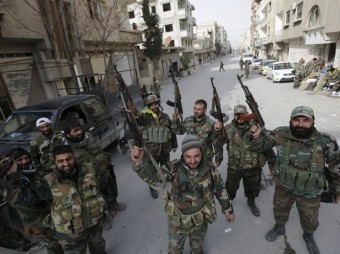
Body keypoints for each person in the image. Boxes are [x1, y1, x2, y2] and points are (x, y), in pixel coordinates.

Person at [255, 106, 340, 254]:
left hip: (310, 192)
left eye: (305, 120)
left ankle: (308, 235)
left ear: (313, 121)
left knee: (310, 220)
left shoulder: (325, 141)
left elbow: (336, 166)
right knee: (280, 211)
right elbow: (262, 147)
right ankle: (279, 227)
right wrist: (256, 137)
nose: (300, 124)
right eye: (296, 120)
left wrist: (338, 190)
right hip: (283, 187)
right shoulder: (280, 134)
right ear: (290, 121)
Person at [130, 134, 235, 254]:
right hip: (177, 221)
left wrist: (228, 211)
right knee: (174, 250)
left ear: (202, 153)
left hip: (199, 220)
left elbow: (220, 189)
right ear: (183, 154)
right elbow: (154, 177)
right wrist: (139, 163)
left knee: (197, 247)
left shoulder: (210, 170)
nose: (193, 161)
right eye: (188, 157)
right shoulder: (173, 168)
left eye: (196, 156)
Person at [1, 145, 107, 254]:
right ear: (54, 162)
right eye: (60, 161)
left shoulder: (88, 170)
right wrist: (11, 175)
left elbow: (102, 187)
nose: (66, 164)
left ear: (74, 157)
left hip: (95, 224)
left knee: (99, 246)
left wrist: (104, 208)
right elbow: (21, 198)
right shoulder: (48, 182)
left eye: (68, 159)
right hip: (71, 234)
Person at [214, 105, 273, 217]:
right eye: (237, 115)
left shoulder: (256, 127)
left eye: (243, 115)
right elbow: (218, 143)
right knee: (230, 188)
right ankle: (229, 202)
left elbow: (268, 145)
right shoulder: (228, 128)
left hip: (252, 167)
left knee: (253, 188)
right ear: (234, 116)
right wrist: (217, 132)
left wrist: (257, 136)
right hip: (234, 167)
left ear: (247, 115)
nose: (240, 118)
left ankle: (251, 202)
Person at [63, 121, 125, 222]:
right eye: (75, 131)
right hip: (89, 182)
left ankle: (113, 206)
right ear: (68, 134)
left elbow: (99, 150)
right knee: (95, 202)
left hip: (104, 172)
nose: (79, 132)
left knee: (111, 190)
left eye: (79, 129)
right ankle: (102, 219)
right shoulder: (68, 150)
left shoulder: (88, 137)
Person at [5, 147, 63, 254]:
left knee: (58, 242)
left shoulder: (33, 171)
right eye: (19, 160)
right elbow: (22, 198)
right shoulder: (13, 182)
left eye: (26, 158)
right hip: (37, 221)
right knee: (54, 244)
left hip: (50, 213)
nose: (24, 162)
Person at [136, 94, 178, 199]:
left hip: (165, 149)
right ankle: (153, 187)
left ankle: (166, 179)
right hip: (151, 151)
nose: (154, 107)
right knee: (152, 171)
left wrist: (174, 144)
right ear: (148, 106)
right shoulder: (144, 118)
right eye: (151, 105)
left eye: (155, 104)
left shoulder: (165, 117)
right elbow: (135, 118)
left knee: (165, 167)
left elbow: (171, 131)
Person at [172, 99, 223, 166]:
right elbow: (179, 131)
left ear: (205, 110)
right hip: (191, 158)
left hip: (205, 158)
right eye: (195, 108)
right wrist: (176, 120)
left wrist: (218, 158)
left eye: (199, 109)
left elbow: (217, 142)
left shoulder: (210, 124)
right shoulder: (188, 120)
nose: (196, 111)